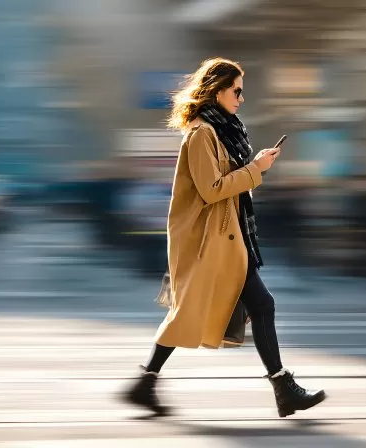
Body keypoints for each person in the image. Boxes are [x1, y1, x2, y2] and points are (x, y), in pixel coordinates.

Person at [122, 57, 326, 417]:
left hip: (228, 238)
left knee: (209, 311)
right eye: (237, 91)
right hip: (209, 243)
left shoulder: (222, 130)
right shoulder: (202, 134)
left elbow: (229, 186)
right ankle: (283, 388)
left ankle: (146, 382)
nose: (241, 98)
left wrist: (254, 166)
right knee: (243, 307)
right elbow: (212, 189)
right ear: (217, 90)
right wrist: (255, 170)